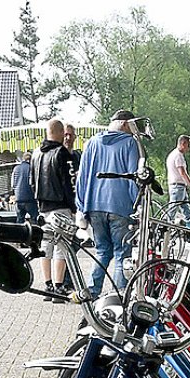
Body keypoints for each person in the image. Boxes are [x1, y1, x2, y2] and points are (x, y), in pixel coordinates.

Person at [75, 110, 141, 299]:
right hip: (120, 206)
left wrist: (81, 206)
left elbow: (82, 177)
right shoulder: (130, 143)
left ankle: (92, 291)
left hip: (94, 205)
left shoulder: (92, 143)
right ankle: (119, 297)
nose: (133, 131)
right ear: (124, 124)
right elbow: (133, 178)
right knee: (122, 253)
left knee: (102, 251)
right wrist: (137, 206)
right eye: (132, 126)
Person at [32, 119, 75, 303]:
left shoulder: (35, 154)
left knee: (45, 247)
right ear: (59, 132)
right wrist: (73, 207)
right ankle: (58, 287)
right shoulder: (62, 153)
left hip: (43, 207)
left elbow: (31, 181)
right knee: (61, 247)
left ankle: (47, 284)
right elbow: (69, 183)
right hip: (61, 205)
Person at [166, 134, 190, 223]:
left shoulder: (172, 154)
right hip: (177, 186)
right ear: (183, 143)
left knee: (186, 208)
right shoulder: (178, 156)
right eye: (188, 145)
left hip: (177, 186)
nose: (188, 148)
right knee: (172, 209)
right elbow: (183, 173)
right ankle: (166, 226)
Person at [12, 149, 37, 224]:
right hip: (29, 199)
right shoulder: (31, 168)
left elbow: (12, 184)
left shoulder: (15, 169)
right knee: (34, 218)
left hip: (18, 199)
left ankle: (20, 235)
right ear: (30, 160)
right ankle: (34, 234)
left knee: (20, 220)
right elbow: (32, 183)